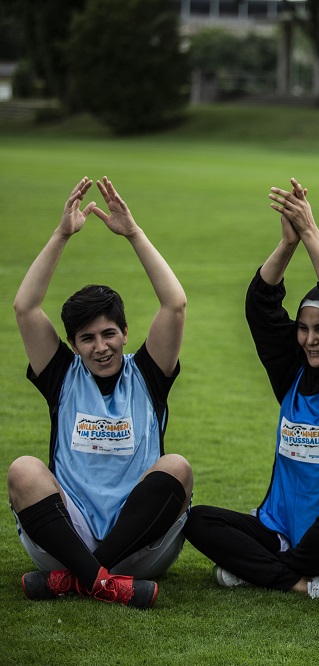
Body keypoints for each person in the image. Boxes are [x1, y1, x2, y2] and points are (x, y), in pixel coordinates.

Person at [183, 178, 319, 602]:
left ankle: (258, 571)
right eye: (303, 329)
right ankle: (298, 582)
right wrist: (288, 243)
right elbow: (260, 306)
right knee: (195, 520)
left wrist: (313, 233)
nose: (311, 340)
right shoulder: (292, 374)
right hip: (281, 532)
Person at [8, 177, 192, 609]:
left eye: (109, 333)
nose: (101, 346)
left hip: (139, 547)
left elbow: (175, 305)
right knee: (23, 470)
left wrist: (134, 233)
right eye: (87, 338)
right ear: (73, 344)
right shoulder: (61, 375)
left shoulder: (147, 373)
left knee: (177, 466)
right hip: (64, 538)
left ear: (126, 333)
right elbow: (25, 308)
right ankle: (102, 581)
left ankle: (82, 579)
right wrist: (60, 235)